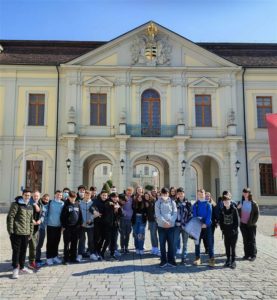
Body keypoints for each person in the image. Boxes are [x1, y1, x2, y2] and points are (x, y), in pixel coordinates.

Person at [7, 189, 34, 279]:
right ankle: (15, 269)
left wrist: (31, 232)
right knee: (16, 251)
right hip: (16, 232)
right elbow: (10, 217)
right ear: (22, 195)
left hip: (26, 233)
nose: (27, 197)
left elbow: (31, 221)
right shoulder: (16, 204)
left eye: (29, 196)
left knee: (23, 251)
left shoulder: (30, 206)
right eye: (26, 195)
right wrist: (10, 231)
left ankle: (22, 268)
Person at [155, 187, 177, 268]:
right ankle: (163, 260)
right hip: (161, 226)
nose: (165, 195)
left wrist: (170, 222)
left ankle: (171, 260)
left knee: (171, 244)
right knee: (162, 244)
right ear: (161, 194)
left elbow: (174, 213)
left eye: (166, 193)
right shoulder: (158, 203)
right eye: (163, 194)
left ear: (168, 194)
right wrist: (164, 222)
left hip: (171, 226)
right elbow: (158, 214)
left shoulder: (172, 202)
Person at [192, 189, 215, 267]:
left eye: (202, 193)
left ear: (205, 194)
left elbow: (209, 215)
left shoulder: (208, 204)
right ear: (197, 195)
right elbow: (194, 215)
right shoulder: (195, 205)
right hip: (198, 227)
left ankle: (212, 259)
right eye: (199, 194)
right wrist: (199, 224)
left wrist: (206, 224)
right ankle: (197, 258)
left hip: (207, 226)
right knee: (197, 243)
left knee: (210, 243)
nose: (201, 195)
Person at [237, 187, 259, 261]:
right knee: (245, 240)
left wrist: (252, 222)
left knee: (252, 240)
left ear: (249, 193)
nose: (245, 194)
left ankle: (253, 255)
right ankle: (246, 255)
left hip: (251, 225)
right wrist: (238, 208)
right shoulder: (241, 202)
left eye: (246, 192)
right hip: (243, 224)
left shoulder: (253, 203)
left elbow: (257, 214)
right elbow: (236, 211)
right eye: (244, 192)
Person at [61, 191, 83, 264]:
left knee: (74, 243)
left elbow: (80, 216)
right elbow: (62, 217)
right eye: (71, 197)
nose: (73, 199)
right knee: (67, 244)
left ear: (76, 197)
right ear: (69, 197)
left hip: (76, 228)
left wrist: (80, 224)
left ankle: (73, 257)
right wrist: (64, 226)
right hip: (67, 228)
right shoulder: (66, 205)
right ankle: (66, 259)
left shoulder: (77, 204)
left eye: (74, 197)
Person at [77, 190, 99, 261]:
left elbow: (96, 214)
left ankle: (92, 253)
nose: (87, 196)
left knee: (91, 240)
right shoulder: (79, 203)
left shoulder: (93, 203)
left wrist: (91, 219)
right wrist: (81, 222)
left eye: (88, 195)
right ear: (84, 195)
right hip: (82, 225)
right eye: (86, 195)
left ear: (90, 196)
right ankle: (80, 254)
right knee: (81, 240)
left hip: (90, 224)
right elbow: (78, 214)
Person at [219, 193, 239, 269]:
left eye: (227, 201)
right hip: (226, 232)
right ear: (223, 203)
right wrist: (222, 229)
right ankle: (228, 260)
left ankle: (233, 261)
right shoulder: (222, 210)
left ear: (230, 201)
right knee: (227, 247)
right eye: (224, 202)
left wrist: (234, 230)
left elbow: (237, 222)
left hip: (233, 232)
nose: (226, 203)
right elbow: (221, 221)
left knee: (233, 247)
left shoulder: (234, 209)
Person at [44, 190, 64, 265]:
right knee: (50, 242)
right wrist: (46, 222)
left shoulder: (62, 203)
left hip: (58, 226)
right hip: (50, 225)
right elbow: (45, 212)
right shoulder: (50, 202)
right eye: (58, 195)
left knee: (56, 242)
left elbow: (63, 215)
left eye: (60, 195)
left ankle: (55, 256)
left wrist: (62, 226)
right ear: (55, 195)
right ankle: (49, 258)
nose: (59, 196)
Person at [173, 187, 192, 264]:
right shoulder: (174, 202)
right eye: (179, 193)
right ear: (177, 194)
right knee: (174, 242)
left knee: (185, 243)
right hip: (176, 225)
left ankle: (183, 258)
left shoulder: (188, 203)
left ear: (184, 194)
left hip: (185, 226)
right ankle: (173, 258)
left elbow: (191, 214)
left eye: (182, 193)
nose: (180, 195)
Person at [91, 190, 108, 260]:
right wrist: (94, 211)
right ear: (100, 195)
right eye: (103, 195)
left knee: (103, 238)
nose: (104, 196)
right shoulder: (96, 201)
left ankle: (99, 250)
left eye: (105, 195)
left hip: (105, 223)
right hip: (97, 222)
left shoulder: (108, 202)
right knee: (97, 238)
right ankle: (95, 251)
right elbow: (91, 208)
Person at [28, 190, 42, 270]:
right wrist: (32, 220)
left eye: (37, 196)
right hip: (29, 228)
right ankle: (30, 263)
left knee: (34, 246)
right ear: (32, 196)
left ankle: (32, 262)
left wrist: (40, 220)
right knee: (31, 246)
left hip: (37, 228)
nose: (36, 197)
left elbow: (43, 213)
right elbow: (27, 214)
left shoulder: (40, 203)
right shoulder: (29, 203)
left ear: (39, 196)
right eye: (34, 196)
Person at [35, 193, 50, 265]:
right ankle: (35, 259)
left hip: (43, 227)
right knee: (36, 244)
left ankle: (37, 258)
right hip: (37, 227)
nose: (46, 201)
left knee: (40, 244)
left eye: (47, 200)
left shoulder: (48, 206)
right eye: (44, 199)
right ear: (42, 198)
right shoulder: (38, 204)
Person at [119, 187, 133, 253]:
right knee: (122, 234)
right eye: (128, 191)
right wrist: (124, 213)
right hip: (123, 219)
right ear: (126, 191)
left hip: (129, 219)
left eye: (130, 192)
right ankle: (122, 247)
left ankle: (126, 247)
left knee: (128, 234)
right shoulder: (122, 197)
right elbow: (120, 206)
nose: (129, 193)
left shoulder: (132, 199)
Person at [144, 191, 159, 255]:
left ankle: (156, 248)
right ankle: (153, 247)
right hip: (150, 220)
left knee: (154, 234)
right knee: (152, 235)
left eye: (147, 196)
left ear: (150, 196)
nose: (146, 197)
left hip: (154, 220)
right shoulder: (146, 202)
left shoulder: (154, 201)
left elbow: (156, 210)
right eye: (145, 196)